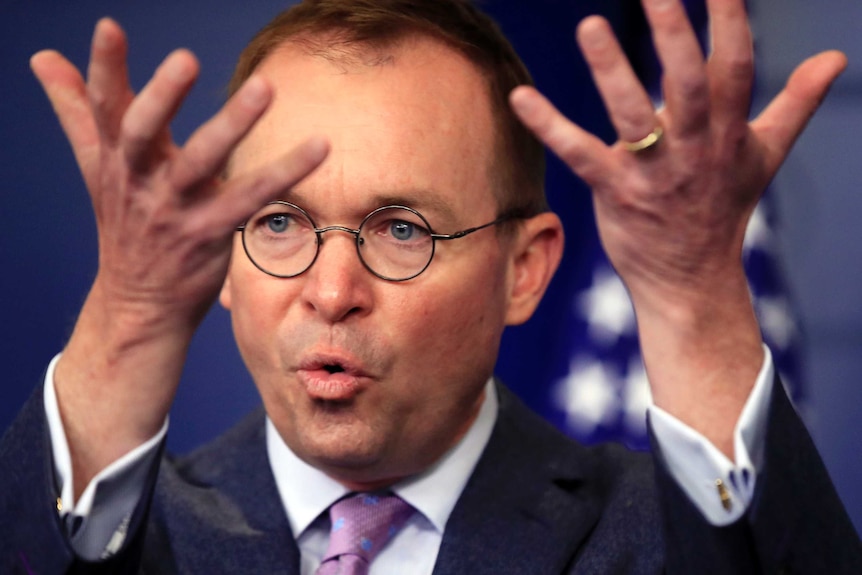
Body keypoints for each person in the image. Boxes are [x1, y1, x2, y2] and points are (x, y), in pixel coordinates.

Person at [1, 0, 859, 573]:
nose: (331, 290)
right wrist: (129, 318)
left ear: (525, 270)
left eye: (401, 229)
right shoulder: (129, 535)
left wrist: (694, 299)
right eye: (279, 222)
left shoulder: (649, 534)